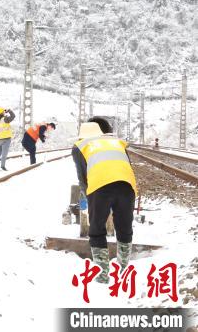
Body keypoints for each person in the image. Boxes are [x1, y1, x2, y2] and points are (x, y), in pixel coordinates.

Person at [72, 117, 136, 283]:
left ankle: (102, 275)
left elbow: (82, 177)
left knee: (97, 229)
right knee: (124, 228)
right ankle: (123, 271)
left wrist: (88, 197)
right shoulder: (116, 142)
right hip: (127, 185)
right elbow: (125, 165)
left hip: (99, 187)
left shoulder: (80, 146)